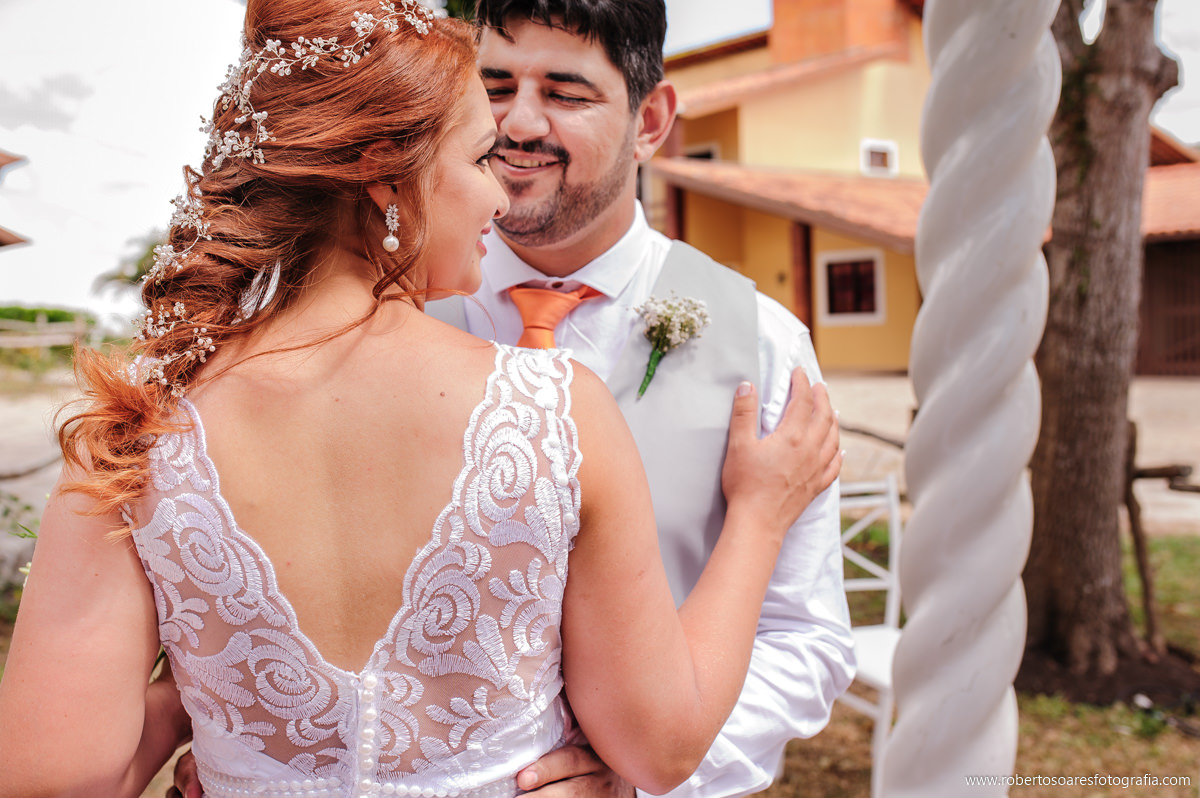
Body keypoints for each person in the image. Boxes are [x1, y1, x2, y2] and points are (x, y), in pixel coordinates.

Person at [0, 2, 840, 797]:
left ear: (649, 118)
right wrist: (758, 518)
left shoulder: (136, 428)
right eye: (480, 155)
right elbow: (661, 744)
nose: (500, 190)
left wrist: (211, 698)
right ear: (384, 179)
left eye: (565, 93)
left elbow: (54, 779)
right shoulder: (557, 410)